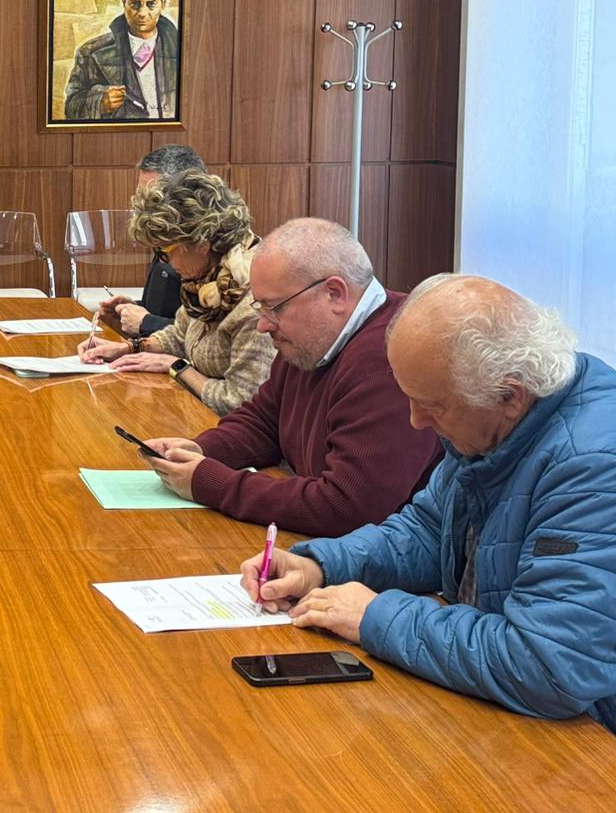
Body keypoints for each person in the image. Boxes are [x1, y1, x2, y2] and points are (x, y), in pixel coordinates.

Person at [242, 275, 616, 731]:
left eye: (433, 406)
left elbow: (548, 665)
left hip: (588, 741)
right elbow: (425, 530)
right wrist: (321, 565)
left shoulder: (594, 466)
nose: (416, 421)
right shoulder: (493, 423)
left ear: (510, 395)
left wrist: (375, 616)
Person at [140, 218, 441, 537]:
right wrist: (199, 450)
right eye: (260, 307)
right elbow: (264, 422)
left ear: (335, 294)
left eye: (274, 308)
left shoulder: (392, 355)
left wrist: (210, 483)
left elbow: (347, 507)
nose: (262, 325)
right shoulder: (312, 339)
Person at [80, 171, 274, 416]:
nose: (165, 262)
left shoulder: (255, 302)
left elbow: (240, 401)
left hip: (233, 431)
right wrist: (129, 348)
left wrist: (177, 367)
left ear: (200, 244)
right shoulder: (207, 281)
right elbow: (180, 335)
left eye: (165, 252)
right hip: (198, 416)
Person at [96, 143, 207, 339]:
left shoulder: (210, 249)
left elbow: (208, 336)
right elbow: (169, 313)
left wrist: (147, 322)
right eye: (141, 196)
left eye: (153, 198)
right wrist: (133, 309)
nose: (142, 207)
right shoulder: (164, 236)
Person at [62, 0, 180, 121]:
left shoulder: (182, 50)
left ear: (163, 4)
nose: (142, 13)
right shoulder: (90, 52)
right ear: (124, 3)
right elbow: (70, 107)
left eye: (151, 4)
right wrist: (100, 102)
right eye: (134, 4)